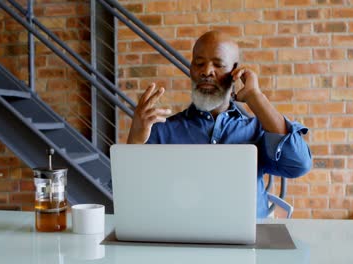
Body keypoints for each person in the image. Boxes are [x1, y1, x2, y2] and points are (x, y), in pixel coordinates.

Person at [127, 30, 312, 218]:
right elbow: (127, 193)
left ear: (235, 71)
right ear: (191, 69)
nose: (206, 71)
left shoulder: (258, 130)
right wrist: (135, 138)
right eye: (199, 63)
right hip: (184, 240)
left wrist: (255, 97)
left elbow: (298, 164)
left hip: (250, 242)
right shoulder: (162, 130)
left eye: (218, 64)